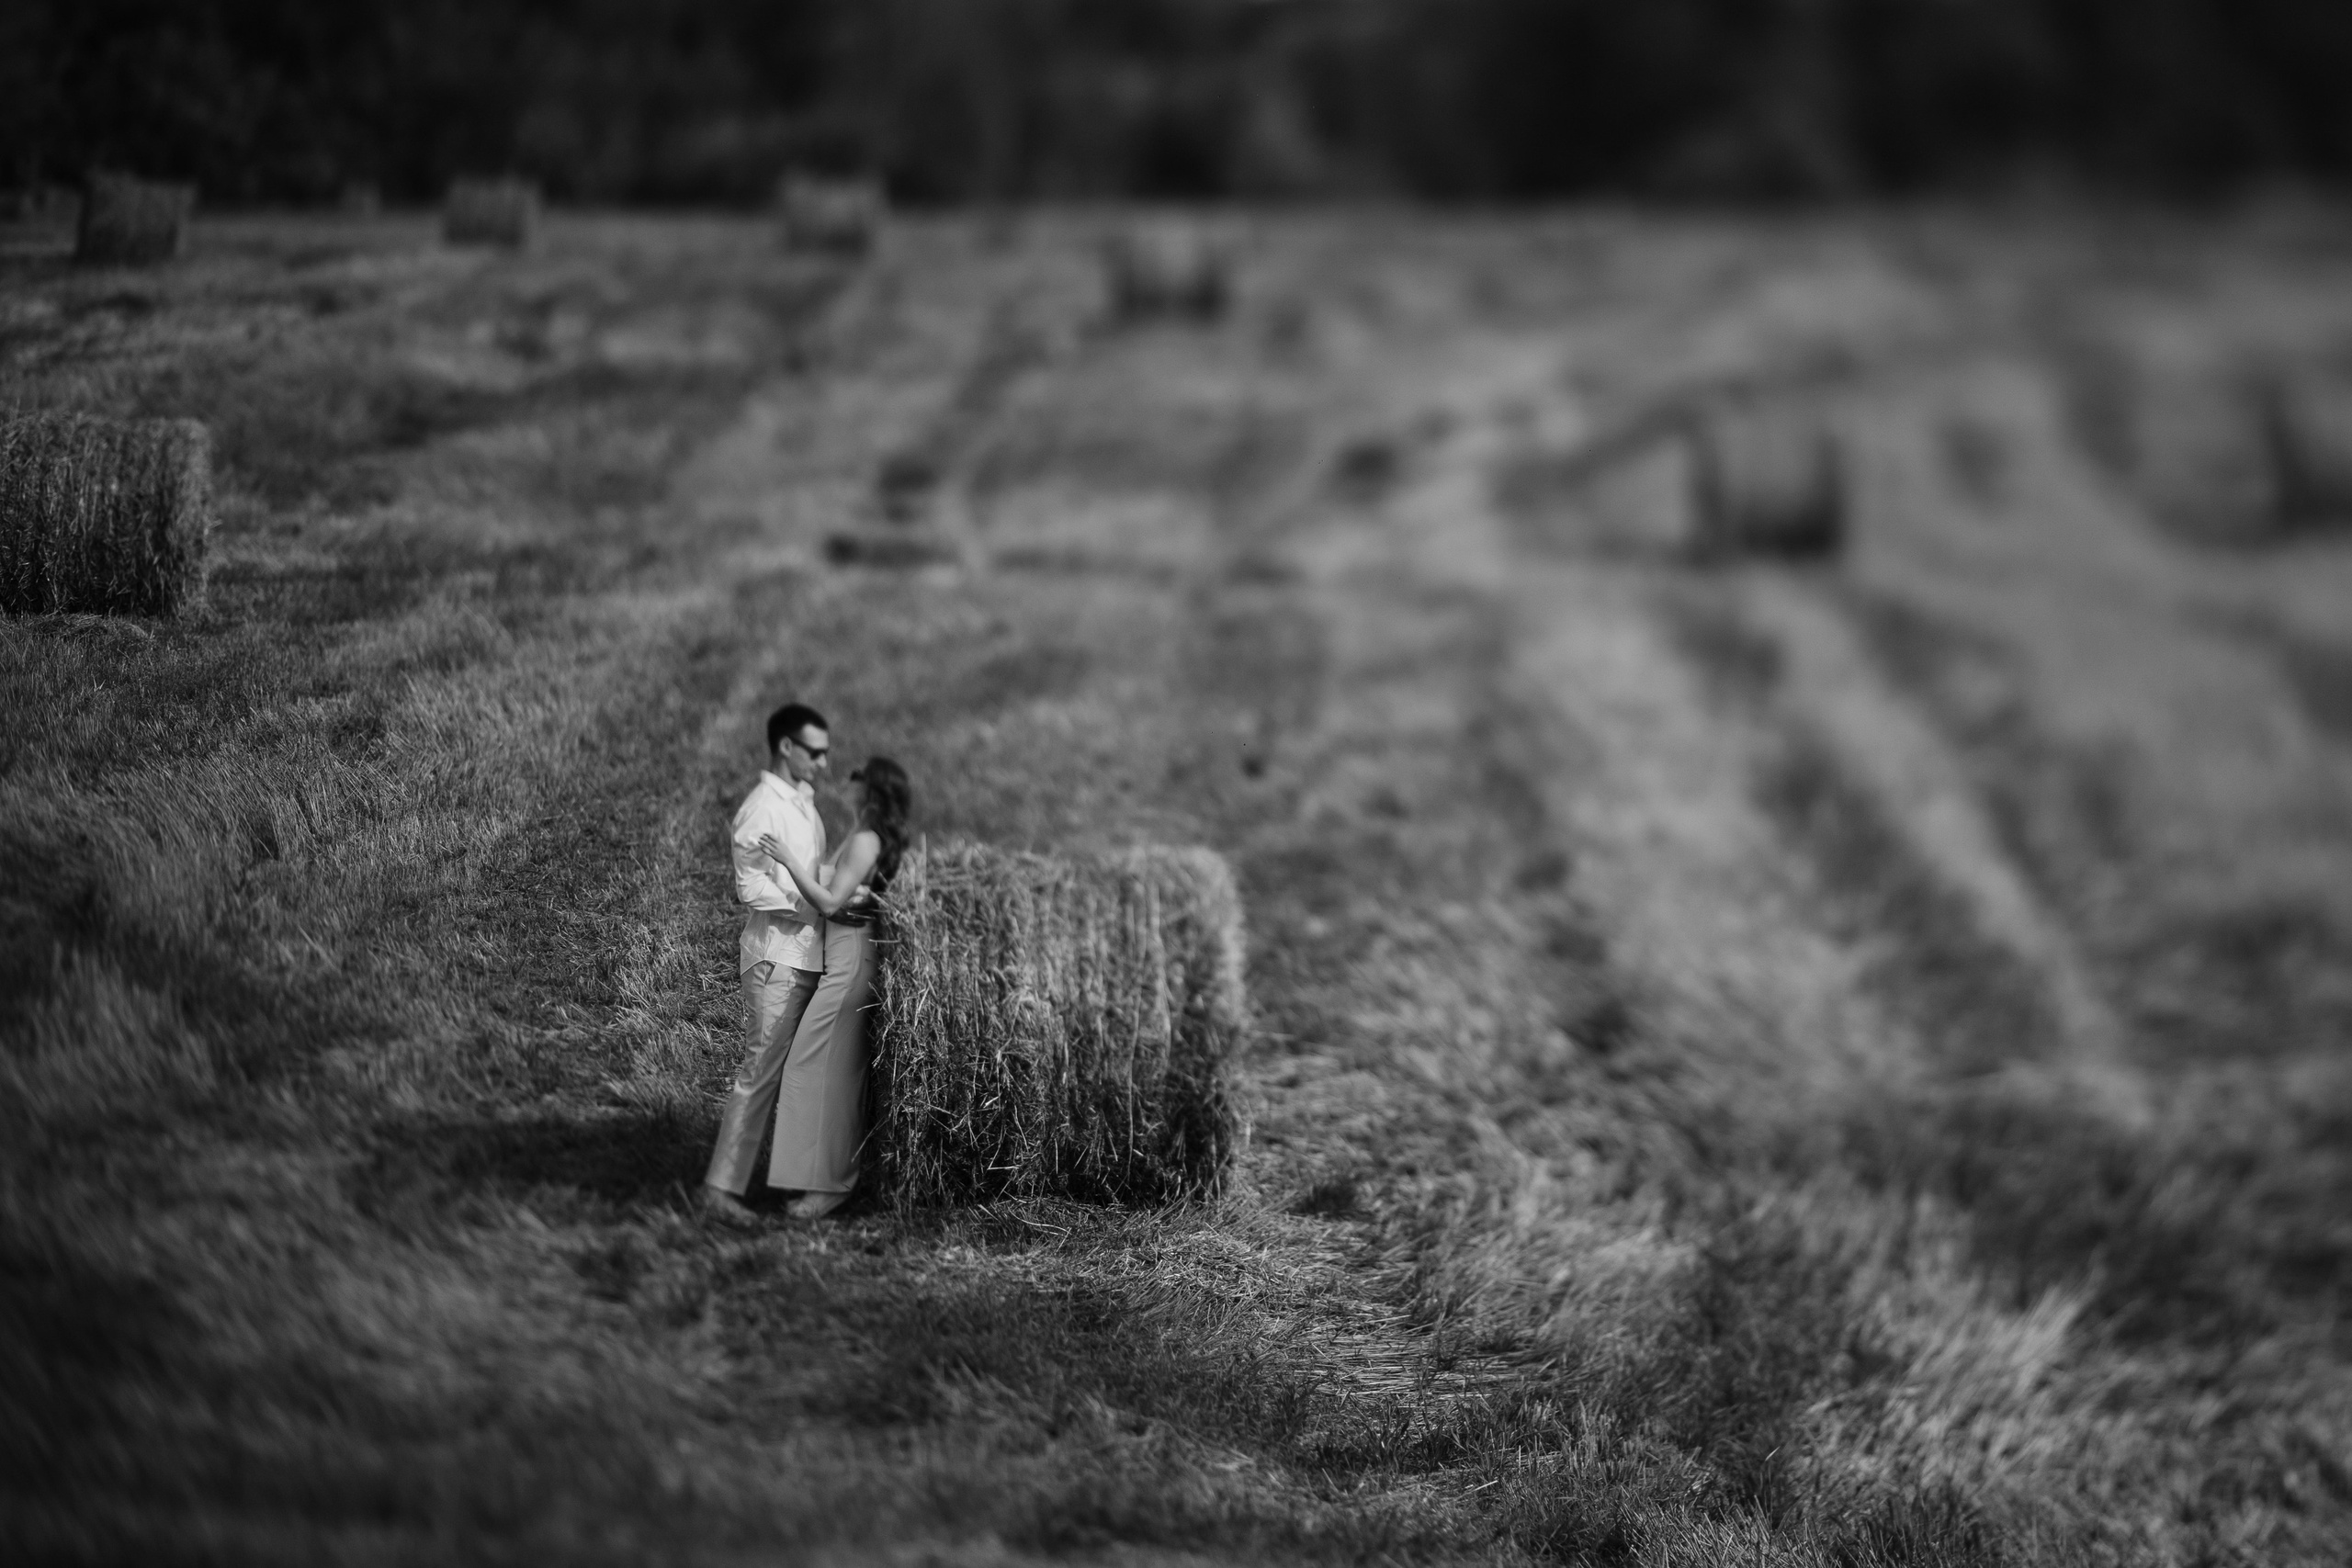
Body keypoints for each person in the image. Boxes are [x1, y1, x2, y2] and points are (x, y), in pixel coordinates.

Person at [757, 756, 911, 1220]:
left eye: (858, 777)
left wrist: (786, 859)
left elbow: (828, 901)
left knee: (824, 1073)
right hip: (841, 962)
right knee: (823, 1074)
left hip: (849, 970)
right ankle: (818, 1180)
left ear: (872, 789)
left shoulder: (866, 840)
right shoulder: (860, 833)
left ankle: (831, 1187)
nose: (848, 780)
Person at [700, 702, 832, 1226]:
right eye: (816, 752)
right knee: (760, 1075)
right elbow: (748, 882)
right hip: (777, 957)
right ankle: (720, 1189)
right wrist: (804, 908)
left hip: (804, 954)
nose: (824, 762)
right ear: (786, 747)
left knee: (796, 1073)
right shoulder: (763, 807)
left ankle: (799, 1178)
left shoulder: (801, 802)